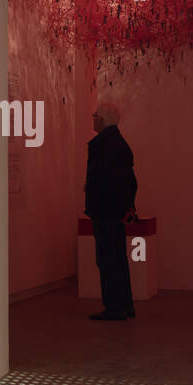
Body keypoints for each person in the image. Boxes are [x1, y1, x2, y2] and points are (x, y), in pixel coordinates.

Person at [84, 101, 137, 321]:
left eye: (95, 115)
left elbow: (107, 182)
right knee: (117, 259)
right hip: (114, 213)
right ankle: (123, 305)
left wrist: (102, 206)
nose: (93, 118)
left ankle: (114, 307)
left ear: (103, 120)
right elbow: (129, 182)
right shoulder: (119, 144)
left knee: (108, 259)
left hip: (106, 213)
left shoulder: (104, 145)